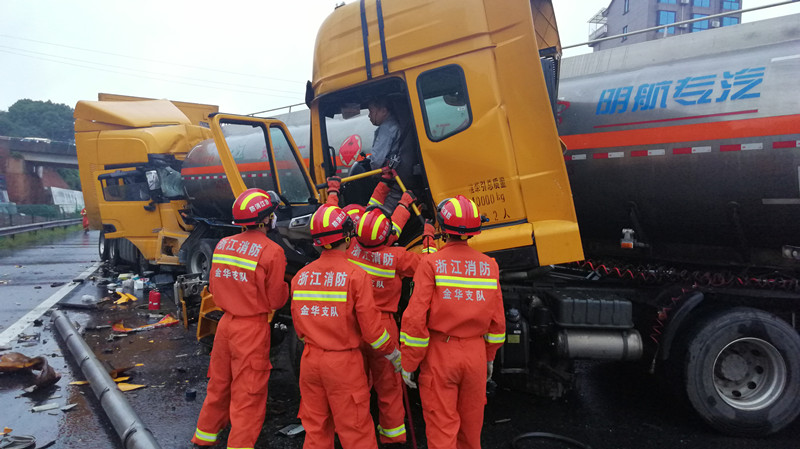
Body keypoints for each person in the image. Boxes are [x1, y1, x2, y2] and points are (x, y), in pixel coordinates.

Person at [399, 195, 506, 449]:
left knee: (441, 429)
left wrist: (409, 361)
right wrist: (489, 357)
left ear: (441, 228)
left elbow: (416, 317)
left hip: (441, 354)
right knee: (471, 430)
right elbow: (497, 321)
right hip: (476, 355)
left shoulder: (431, 263)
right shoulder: (489, 266)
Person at [291, 204, 401, 449]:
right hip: (343, 365)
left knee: (316, 428)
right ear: (349, 236)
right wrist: (392, 353)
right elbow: (372, 332)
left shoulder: (301, 277)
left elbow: (299, 328)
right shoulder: (355, 276)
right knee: (355, 429)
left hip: (310, 361)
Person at [191, 188, 289, 449]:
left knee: (219, 384)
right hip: (251, 329)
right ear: (266, 219)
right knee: (249, 393)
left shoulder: (223, 245)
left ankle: (204, 436)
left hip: (225, 325)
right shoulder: (272, 251)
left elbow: (212, 285)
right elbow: (274, 300)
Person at [348, 187, 435, 445]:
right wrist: (428, 236)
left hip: (352, 324)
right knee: (389, 387)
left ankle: (355, 432)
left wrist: (403, 205)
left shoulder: (351, 247)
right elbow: (429, 267)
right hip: (383, 326)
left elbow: (383, 232)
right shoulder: (397, 257)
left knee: (356, 386)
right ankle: (393, 438)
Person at [367, 96, 401, 171]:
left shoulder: (386, 129)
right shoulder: (396, 124)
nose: (369, 115)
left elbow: (376, 161)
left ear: (384, 111)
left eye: (371, 111)